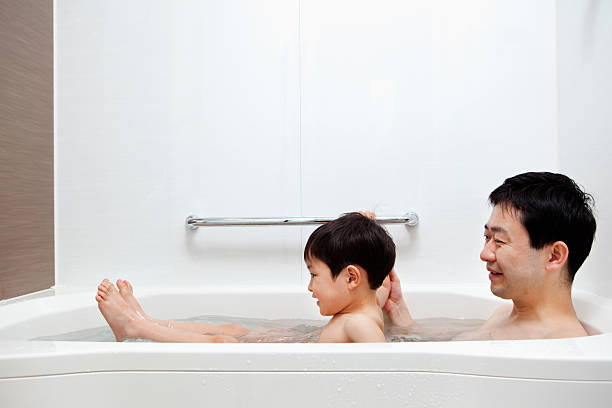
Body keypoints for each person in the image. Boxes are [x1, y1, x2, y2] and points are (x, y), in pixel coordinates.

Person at [96, 212, 396, 343]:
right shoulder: (370, 302)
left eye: (314, 275)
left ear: (351, 278)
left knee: (223, 341)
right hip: (296, 340)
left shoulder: (359, 324)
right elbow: (379, 282)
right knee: (234, 329)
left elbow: (382, 370)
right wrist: (364, 223)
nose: (309, 286)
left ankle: (136, 327)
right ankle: (144, 319)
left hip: (290, 350)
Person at [377, 172, 597, 340]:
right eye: (486, 237)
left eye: (499, 241)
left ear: (554, 256)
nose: (485, 254)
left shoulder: (559, 347)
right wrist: (399, 315)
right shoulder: (504, 315)